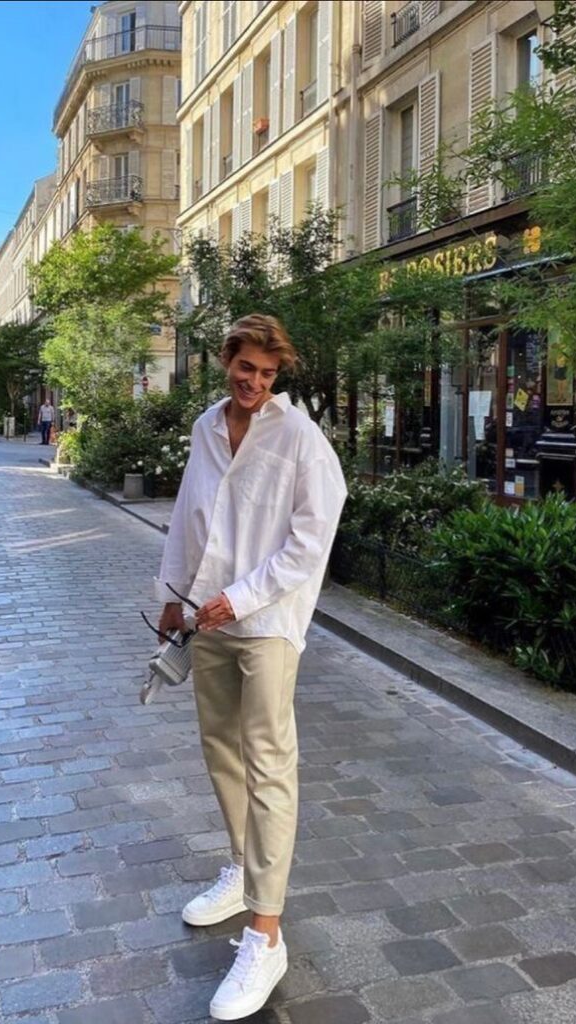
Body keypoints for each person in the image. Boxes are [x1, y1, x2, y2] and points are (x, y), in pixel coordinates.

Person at [156, 314, 347, 1021]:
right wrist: (173, 599)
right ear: (227, 360)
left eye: (268, 376)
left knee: (268, 763)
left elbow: (311, 538)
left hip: (264, 623)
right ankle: (241, 869)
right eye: (246, 370)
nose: (255, 385)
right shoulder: (208, 426)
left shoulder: (298, 436)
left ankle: (265, 934)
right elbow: (187, 516)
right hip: (205, 616)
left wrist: (239, 598)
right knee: (221, 752)